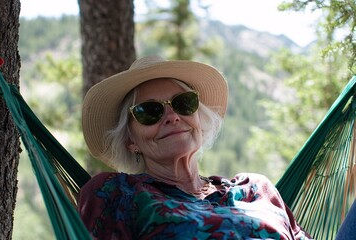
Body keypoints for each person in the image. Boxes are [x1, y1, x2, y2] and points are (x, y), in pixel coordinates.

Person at [78, 56, 312, 239]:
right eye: (149, 111)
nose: (172, 116)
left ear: (199, 117)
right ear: (130, 140)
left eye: (183, 103)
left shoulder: (255, 188)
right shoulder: (118, 193)